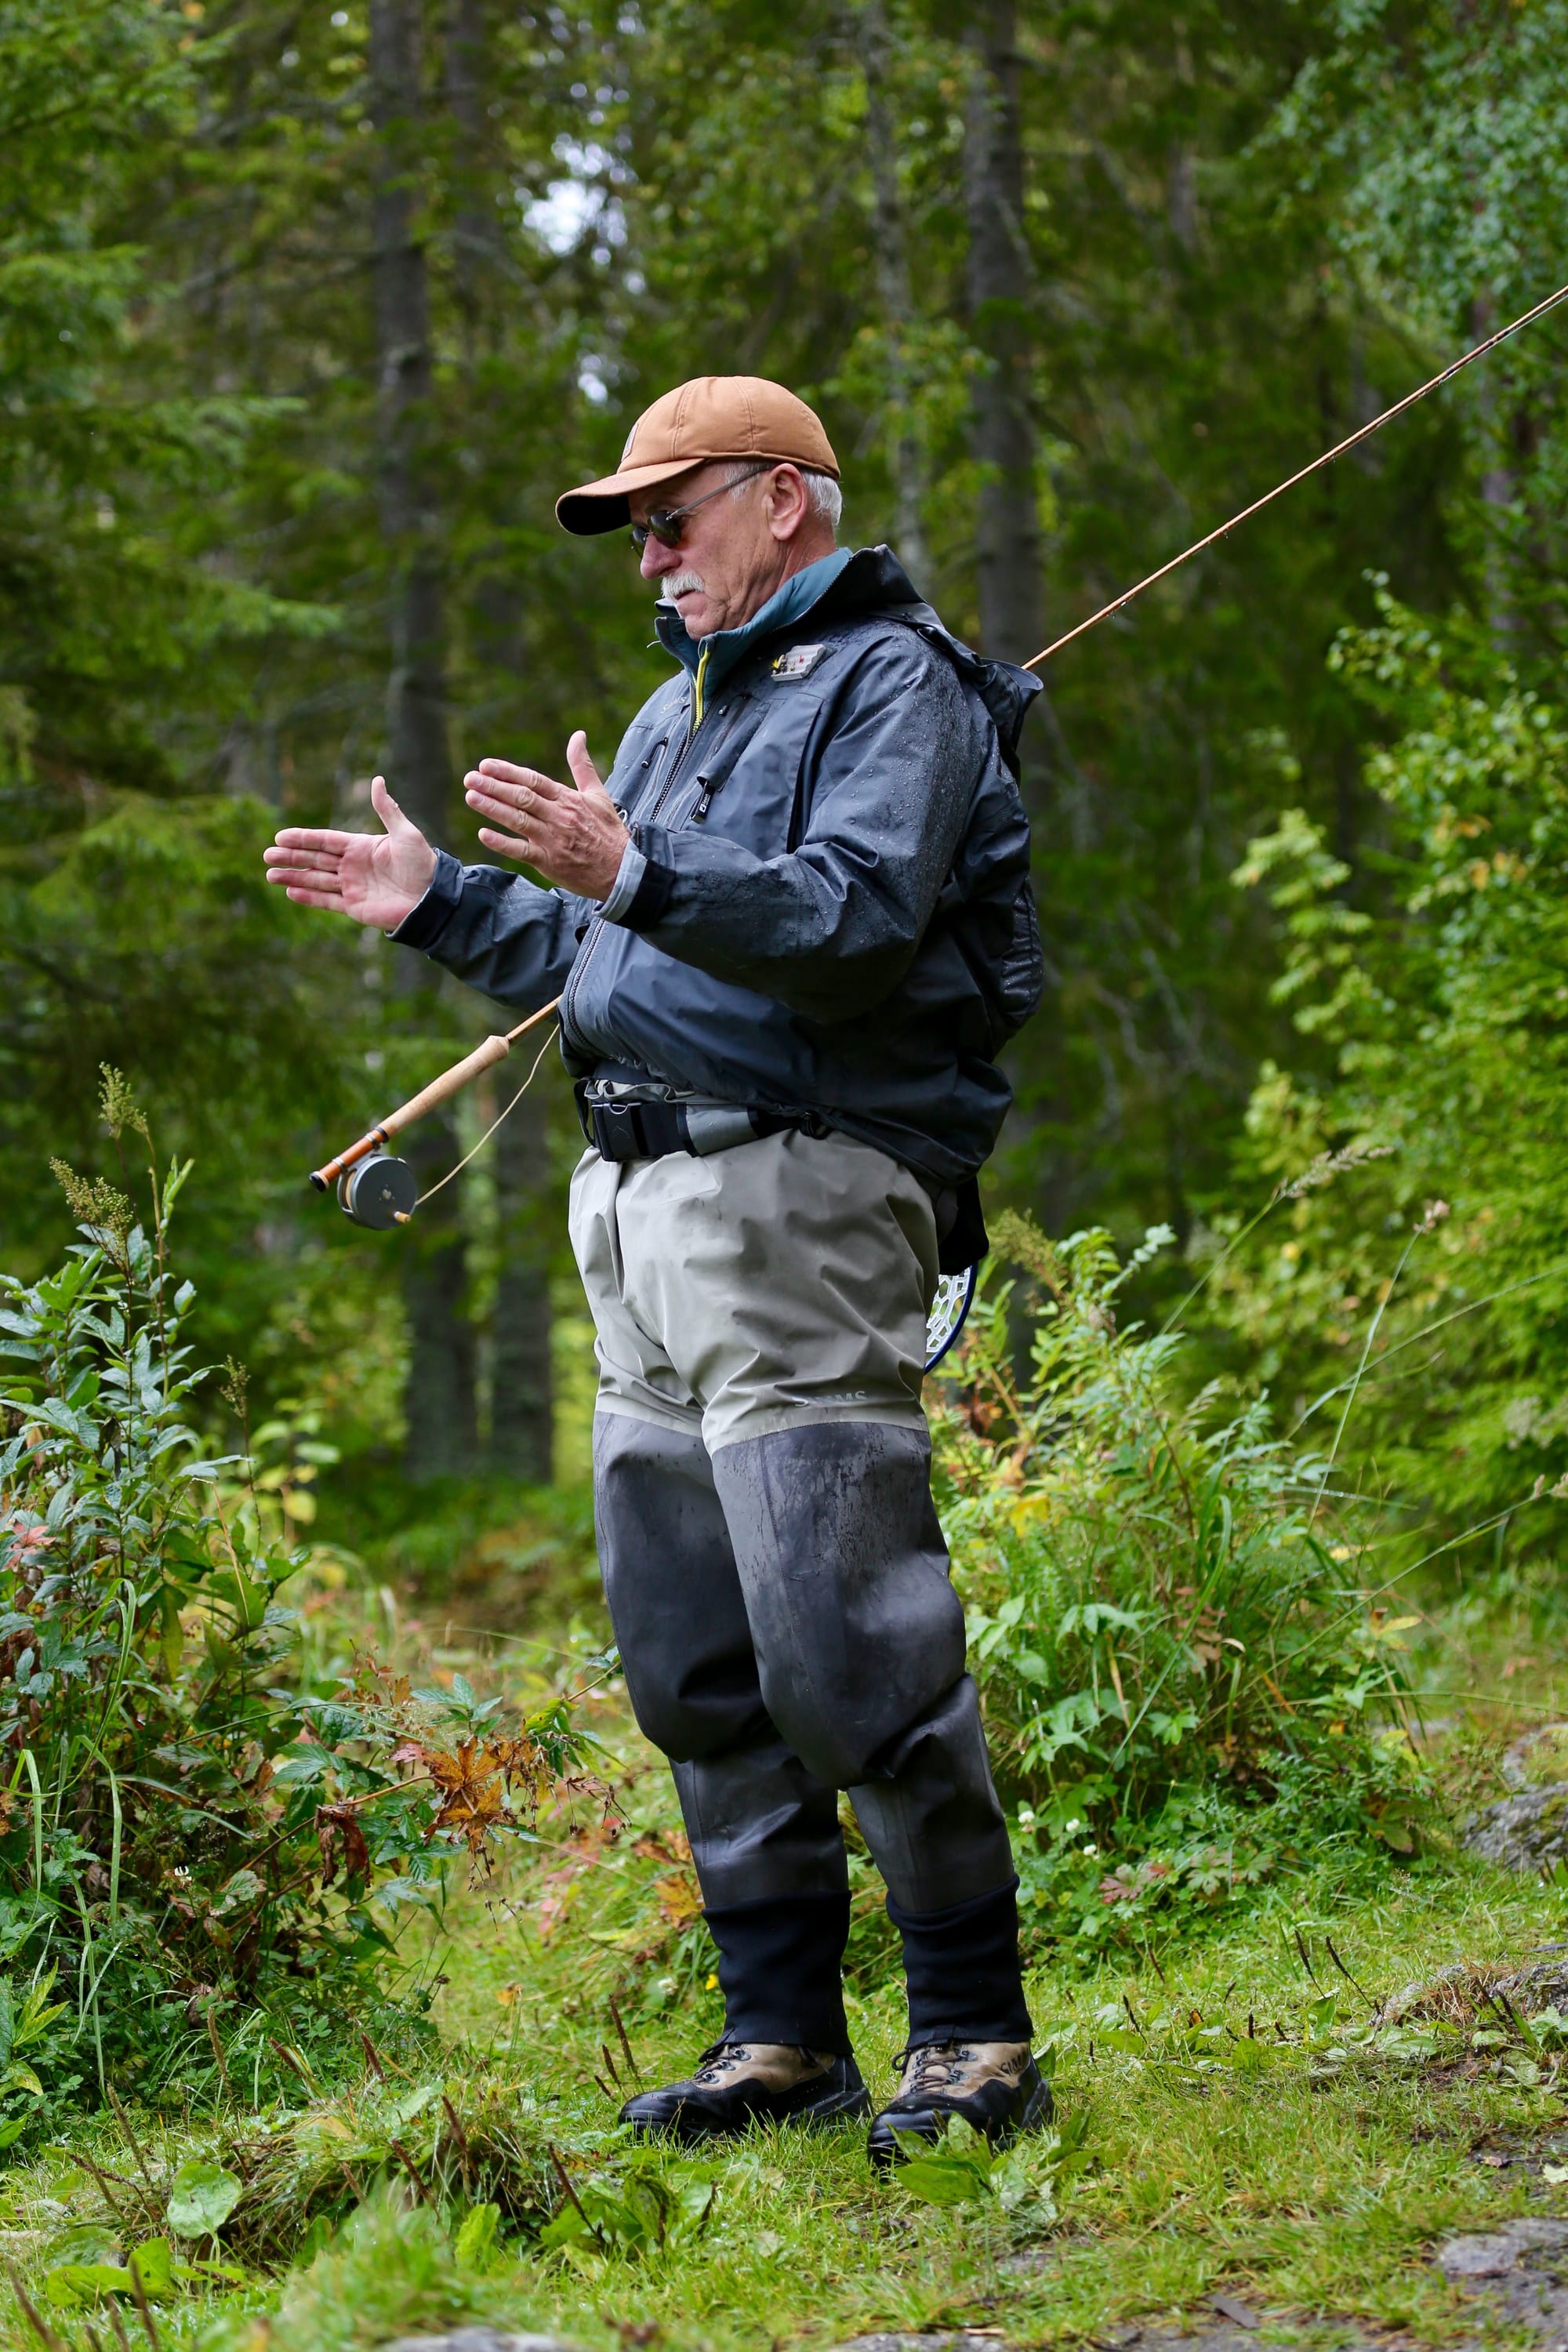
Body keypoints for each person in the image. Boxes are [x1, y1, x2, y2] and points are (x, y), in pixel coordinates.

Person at [264, 376, 1047, 2166]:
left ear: (785, 498)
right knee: (692, 1657)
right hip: (636, 1216)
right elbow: (610, 945)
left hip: (799, 1199)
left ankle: (974, 2036)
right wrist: (439, 901)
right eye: (634, 530)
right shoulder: (677, 707)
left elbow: (848, 928)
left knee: (850, 1641)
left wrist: (640, 861)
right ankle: (782, 2037)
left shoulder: (893, 687)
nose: (652, 557)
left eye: (672, 516)